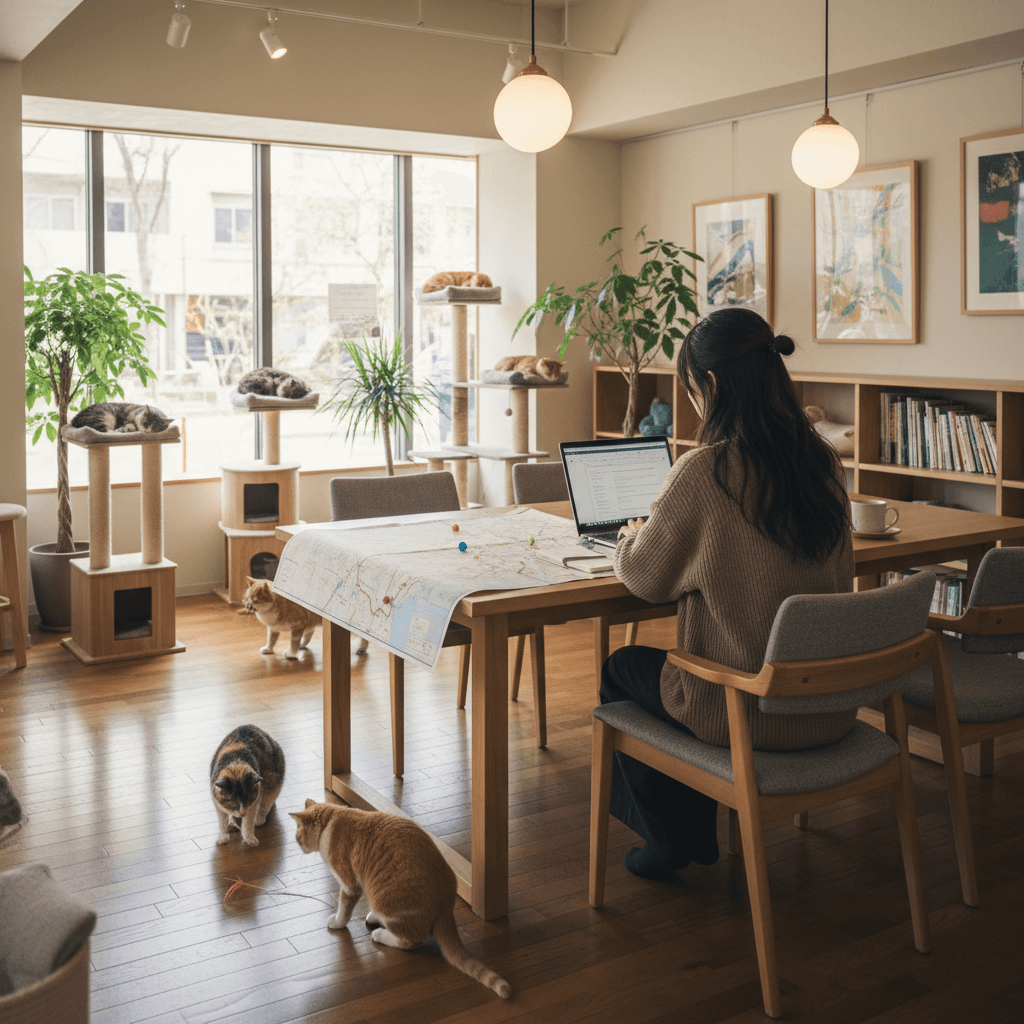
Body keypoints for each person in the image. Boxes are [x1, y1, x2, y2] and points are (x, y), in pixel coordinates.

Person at [603, 307, 854, 878]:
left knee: (622, 669)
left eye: (691, 388)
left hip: (746, 711)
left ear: (711, 385)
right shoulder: (822, 462)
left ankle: (674, 840)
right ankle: (685, 832)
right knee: (657, 672)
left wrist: (628, 539)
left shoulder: (704, 472)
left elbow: (645, 580)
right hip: (829, 705)